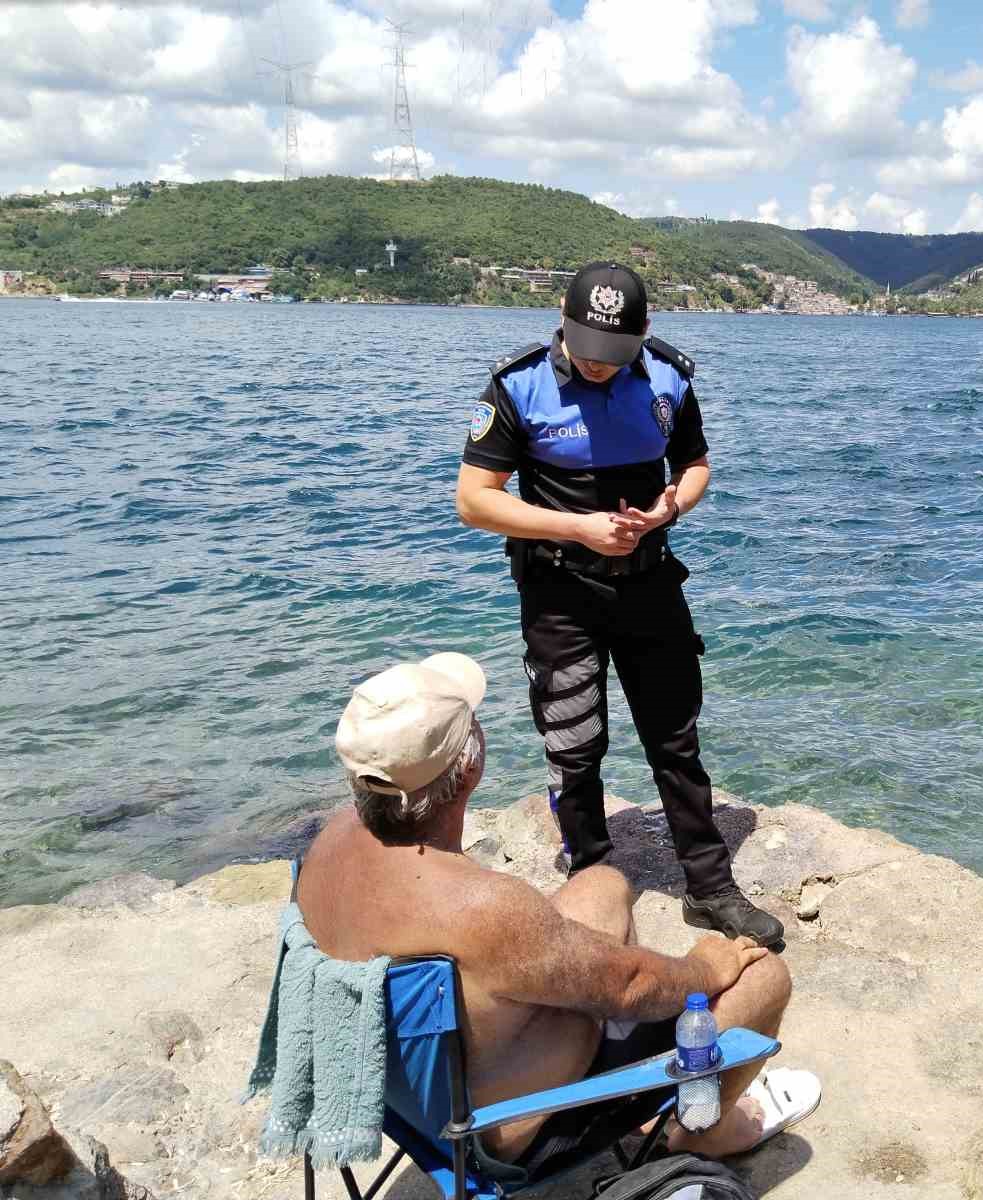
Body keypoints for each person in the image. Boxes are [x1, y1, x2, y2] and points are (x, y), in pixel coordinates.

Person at [298, 651, 819, 1180]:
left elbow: (567, 958)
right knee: (762, 978)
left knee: (603, 884)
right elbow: (633, 985)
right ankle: (698, 1133)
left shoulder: (328, 846)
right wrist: (708, 967)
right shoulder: (481, 906)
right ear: (470, 766)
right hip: (499, 1130)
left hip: (405, 1096)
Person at [455, 262, 782, 947]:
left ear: (643, 334)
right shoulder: (517, 385)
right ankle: (592, 883)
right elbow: (475, 500)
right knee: (574, 746)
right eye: (586, 351)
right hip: (558, 591)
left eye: (614, 354)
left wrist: (669, 508)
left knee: (675, 741)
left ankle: (709, 888)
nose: (599, 366)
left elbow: (694, 465)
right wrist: (577, 527)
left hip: (649, 584)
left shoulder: (667, 378)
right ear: (564, 325)